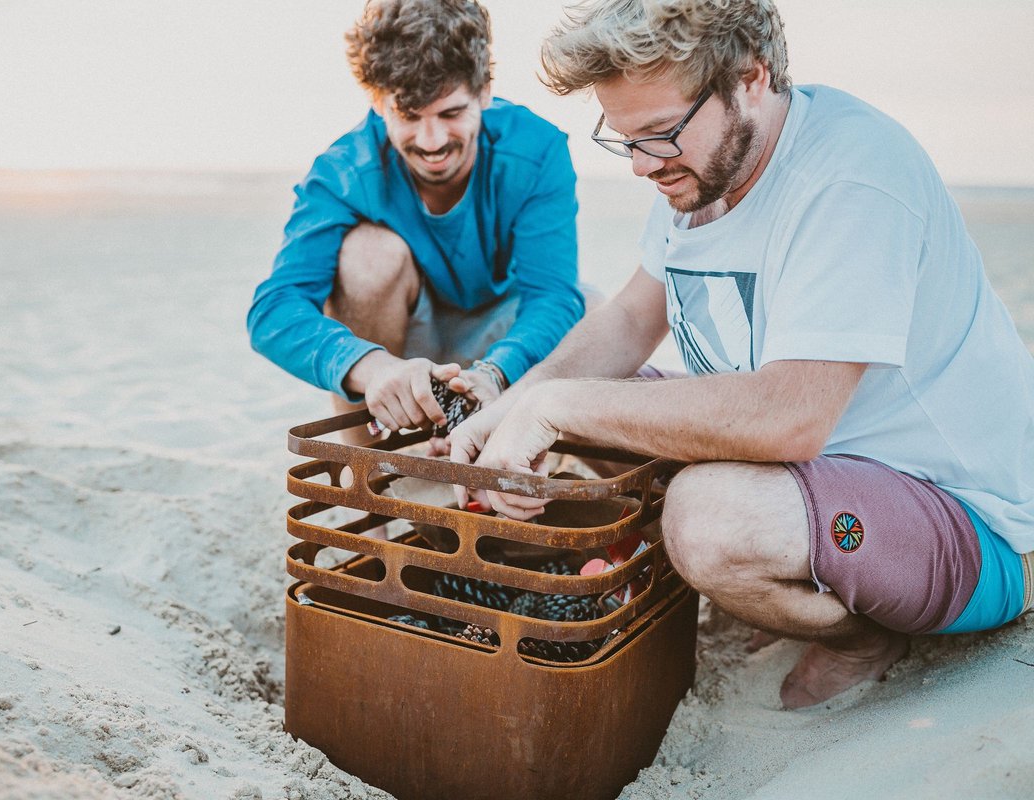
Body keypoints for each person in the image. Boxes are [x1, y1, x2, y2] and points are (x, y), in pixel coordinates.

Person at [449, 0, 1034, 709]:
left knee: (708, 520)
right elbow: (633, 317)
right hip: (824, 474)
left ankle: (865, 637)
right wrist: (514, 406)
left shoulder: (851, 177)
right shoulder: (702, 164)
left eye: (658, 135)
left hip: (974, 525)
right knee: (582, 405)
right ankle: (787, 564)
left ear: (751, 77)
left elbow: (790, 419)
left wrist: (557, 404)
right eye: (624, 138)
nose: (639, 165)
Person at [247, 0, 585, 442]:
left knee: (594, 313)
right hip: (398, 347)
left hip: (503, 336)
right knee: (367, 256)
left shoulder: (536, 148)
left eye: (451, 113)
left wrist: (496, 373)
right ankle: (374, 465)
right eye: (408, 116)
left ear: (484, 90)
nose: (432, 142)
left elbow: (554, 295)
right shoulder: (344, 170)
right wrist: (373, 367)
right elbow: (274, 310)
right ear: (377, 100)